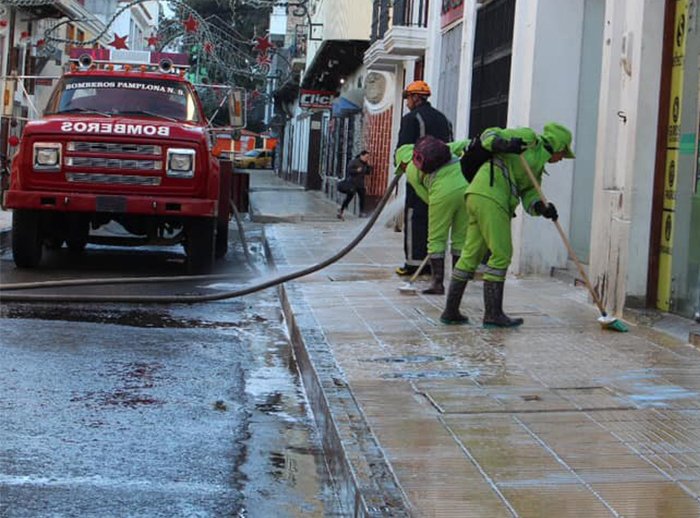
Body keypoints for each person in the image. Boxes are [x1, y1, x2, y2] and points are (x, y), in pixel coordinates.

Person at [440, 122, 576, 327]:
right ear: (559, 147)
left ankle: (450, 311)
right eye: (563, 154)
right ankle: (493, 314)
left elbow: (529, 195)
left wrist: (542, 207)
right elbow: (488, 133)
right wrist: (505, 144)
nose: (561, 159)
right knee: (502, 253)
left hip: (477, 195)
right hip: (491, 196)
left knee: (471, 254)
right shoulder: (529, 139)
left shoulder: (537, 169)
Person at [394, 136, 470, 294]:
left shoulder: (410, 168)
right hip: (466, 187)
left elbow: (425, 196)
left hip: (442, 193)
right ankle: (458, 284)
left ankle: (437, 283)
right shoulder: (441, 150)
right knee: (460, 238)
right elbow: (465, 144)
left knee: (436, 239)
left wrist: (441, 210)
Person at [395, 80, 453, 277]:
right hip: (444, 177)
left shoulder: (411, 119)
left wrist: (402, 167)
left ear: (416, 97)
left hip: (420, 176)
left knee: (415, 216)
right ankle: (433, 263)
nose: (407, 103)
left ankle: (413, 263)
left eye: (408, 98)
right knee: (436, 220)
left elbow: (403, 150)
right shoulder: (443, 119)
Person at [337, 150, 372, 220]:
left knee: (362, 198)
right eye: (366, 157)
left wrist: (369, 167)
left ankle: (361, 212)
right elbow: (349, 170)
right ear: (361, 156)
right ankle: (341, 210)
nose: (367, 158)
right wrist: (356, 170)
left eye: (368, 157)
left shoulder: (365, 164)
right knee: (349, 198)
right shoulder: (354, 162)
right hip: (352, 183)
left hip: (360, 184)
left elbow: (367, 173)